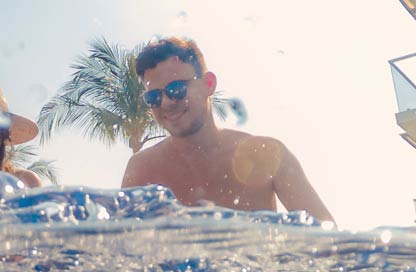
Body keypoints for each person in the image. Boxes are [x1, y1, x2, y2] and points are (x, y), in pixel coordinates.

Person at [120, 37, 333, 223]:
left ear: (208, 84)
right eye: (154, 97)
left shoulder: (265, 155)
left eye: (176, 89)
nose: (166, 103)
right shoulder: (143, 170)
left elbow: (327, 238)